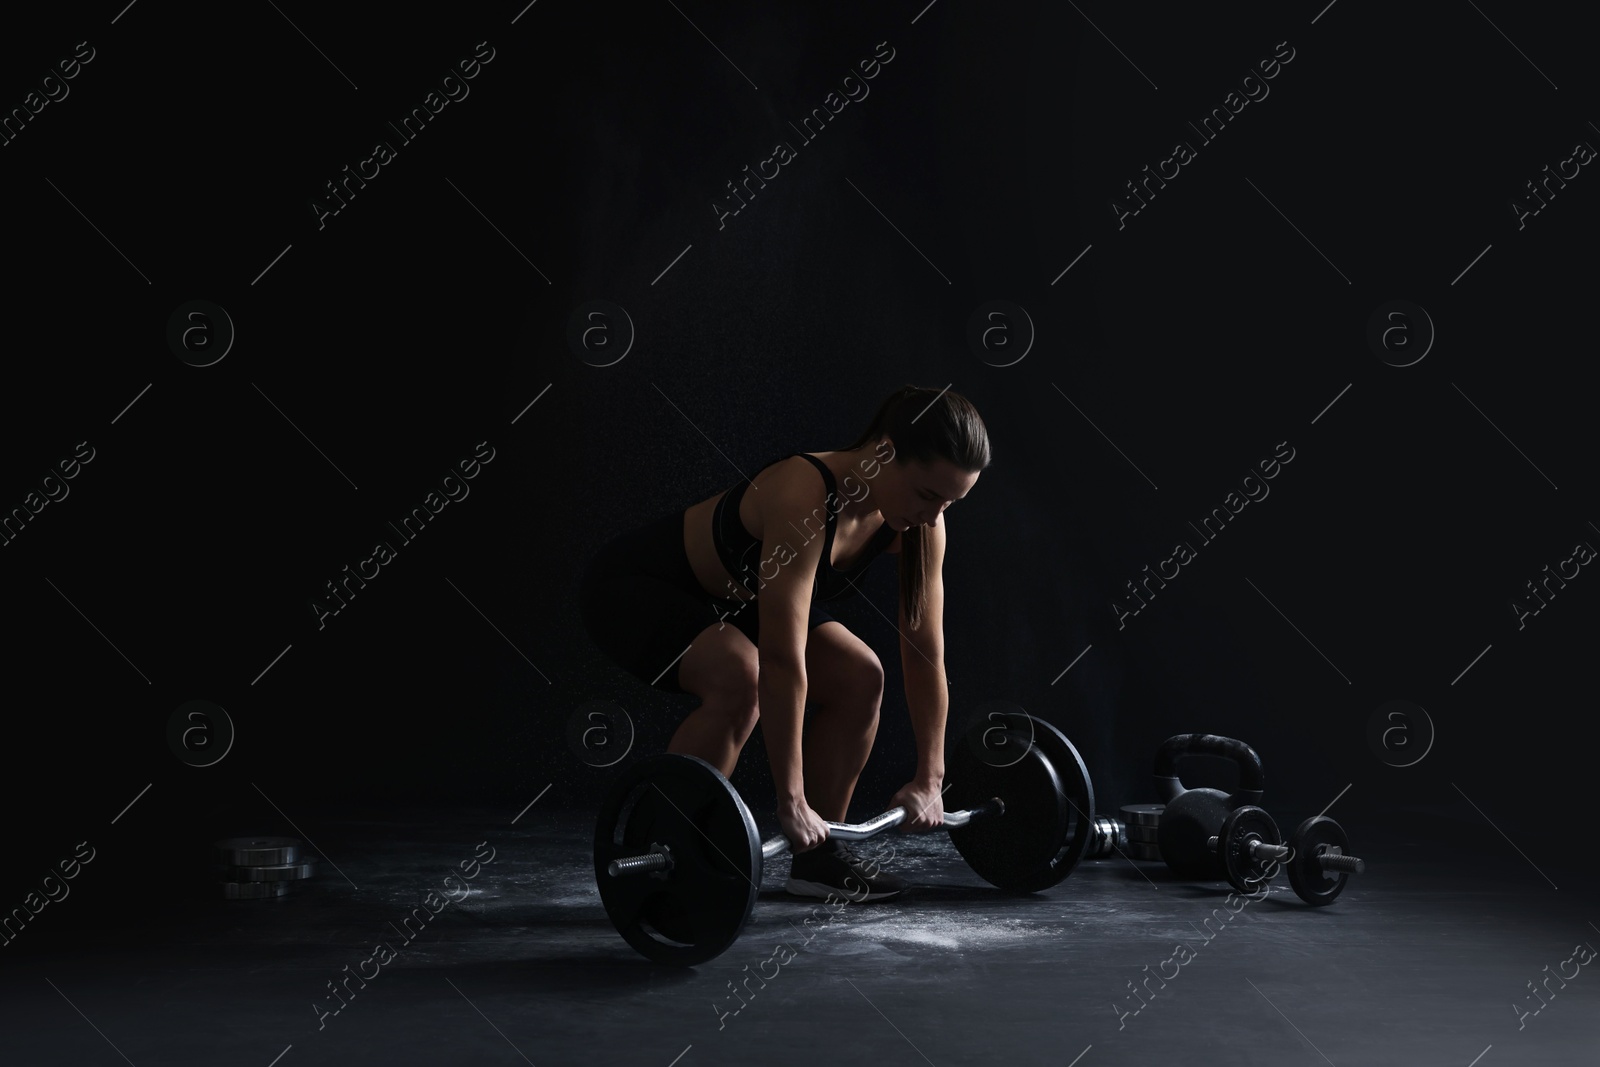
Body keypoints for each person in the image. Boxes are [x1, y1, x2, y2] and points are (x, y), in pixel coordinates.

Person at [579, 385, 989, 901]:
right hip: (641, 590)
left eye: (952, 501)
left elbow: (926, 653)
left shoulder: (923, 523)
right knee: (741, 677)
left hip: (740, 599)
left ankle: (816, 861)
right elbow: (780, 658)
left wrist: (932, 778)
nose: (934, 516)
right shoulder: (806, 491)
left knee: (861, 677)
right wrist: (789, 800)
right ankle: (662, 850)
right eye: (929, 495)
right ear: (885, 452)